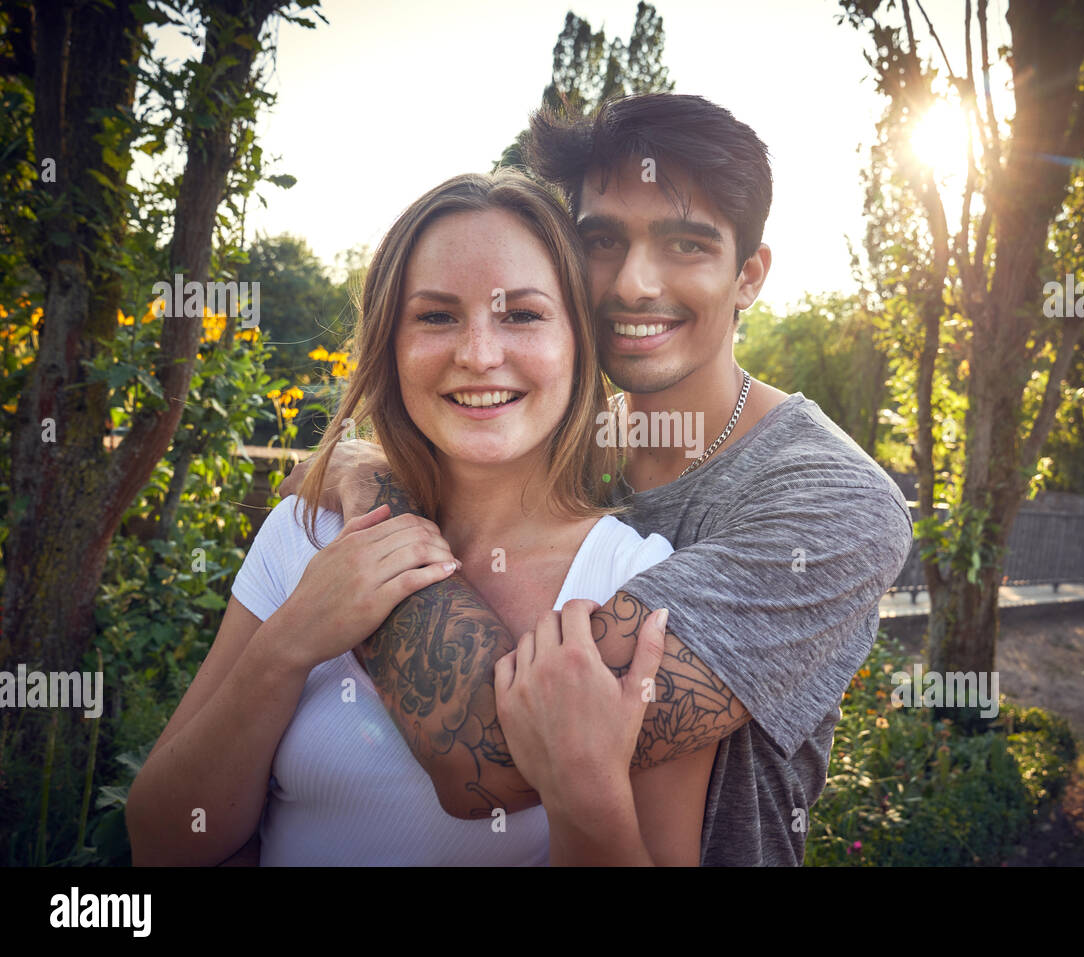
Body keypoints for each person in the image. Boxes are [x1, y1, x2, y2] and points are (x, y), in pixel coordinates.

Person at [284, 93, 916, 865]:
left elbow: (497, 752)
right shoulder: (546, 441)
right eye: (601, 239)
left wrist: (374, 492)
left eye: (687, 244)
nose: (632, 285)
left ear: (749, 275)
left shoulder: (830, 502)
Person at [124, 170, 711, 866]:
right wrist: (287, 644)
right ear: (390, 344)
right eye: (436, 316)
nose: (478, 354)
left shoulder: (636, 583)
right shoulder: (306, 532)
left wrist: (586, 794)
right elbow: (164, 841)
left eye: (521, 314)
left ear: (578, 343)